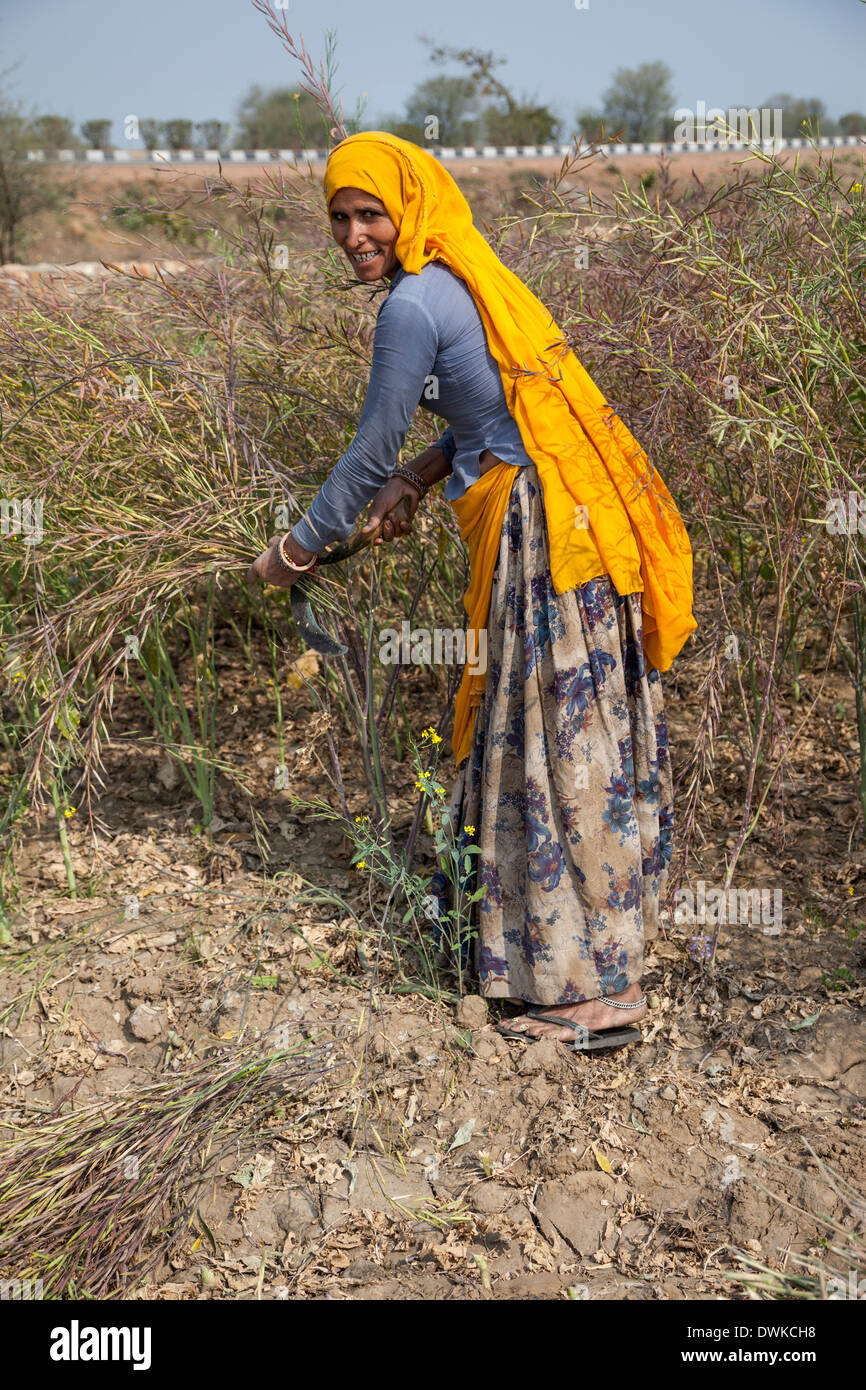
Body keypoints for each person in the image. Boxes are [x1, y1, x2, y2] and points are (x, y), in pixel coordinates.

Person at [248, 131, 697, 1052]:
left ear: (406, 208)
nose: (353, 233)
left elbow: (369, 443)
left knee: (559, 741)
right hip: (567, 515)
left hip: (544, 538)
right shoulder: (462, 278)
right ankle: (571, 963)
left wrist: (293, 553)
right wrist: (417, 478)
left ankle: (596, 997)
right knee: (568, 731)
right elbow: (491, 412)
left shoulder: (413, 304)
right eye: (338, 217)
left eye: (369, 212)